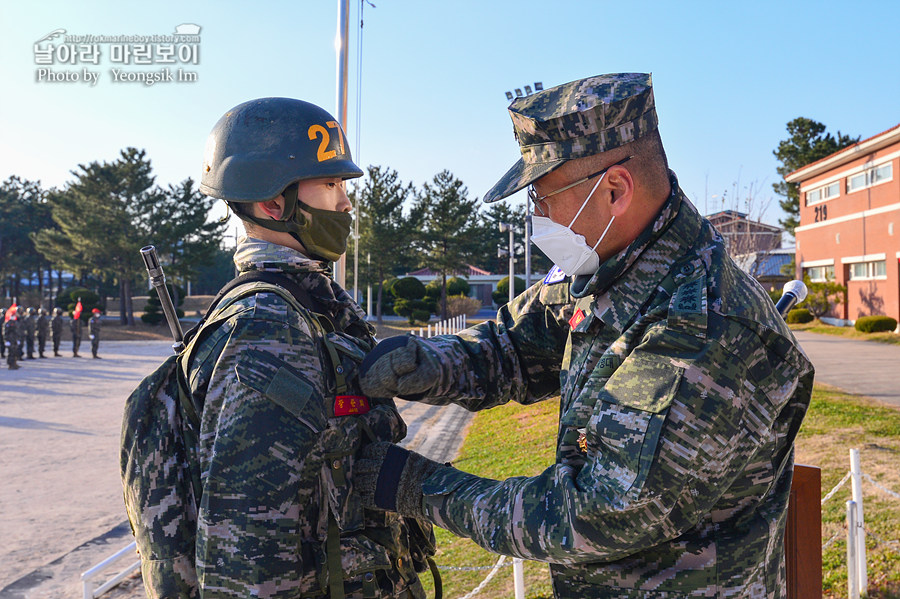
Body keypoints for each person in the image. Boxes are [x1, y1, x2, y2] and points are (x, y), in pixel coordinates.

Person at [355, 73, 815, 598]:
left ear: (615, 190)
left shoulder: (706, 330)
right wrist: (430, 364)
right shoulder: (611, 264)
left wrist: (420, 487)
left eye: (544, 198)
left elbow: (591, 513)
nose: (537, 217)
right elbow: (516, 343)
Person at [131, 97, 431, 598]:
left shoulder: (309, 302)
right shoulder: (265, 329)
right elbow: (246, 553)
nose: (346, 203)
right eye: (331, 184)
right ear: (274, 204)